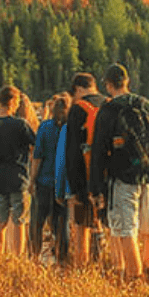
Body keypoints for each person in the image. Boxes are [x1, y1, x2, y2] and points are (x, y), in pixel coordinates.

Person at [88, 64, 149, 280]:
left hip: (123, 178)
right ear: (127, 82)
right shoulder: (146, 105)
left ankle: (134, 279)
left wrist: (95, 187)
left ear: (108, 85)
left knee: (127, 231)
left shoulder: (108, 111)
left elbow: (98, 151)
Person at [0, 86, 37, 256]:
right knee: (19, 221)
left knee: (0, 222)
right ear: (12, 102)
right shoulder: (20, 125)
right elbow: (36, 146)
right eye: (17, 101)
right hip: (18, 179)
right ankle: (18, 257)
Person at [63, 72, 109, 264]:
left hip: (85, 175)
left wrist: (72, 187)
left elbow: (72, 151)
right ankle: (110, 263)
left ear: (78, 89)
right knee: (110, 225)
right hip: (109, 176)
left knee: (82, 225)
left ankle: (82, 266)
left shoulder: (78, 109)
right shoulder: (109, 103)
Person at [29, 93, 72, 264]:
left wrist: (32, 179)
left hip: (44, 181)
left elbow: (37, 156)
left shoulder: (45, 127)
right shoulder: (71, 128)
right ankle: (62, 258)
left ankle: (35, 255)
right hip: (64, 183)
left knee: (37, 221)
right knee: (62, 223)